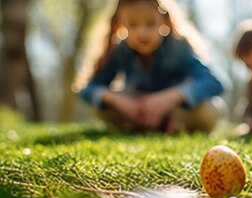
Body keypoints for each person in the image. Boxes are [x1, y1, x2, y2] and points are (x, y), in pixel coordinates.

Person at [75, 0, 224, 133]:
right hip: (137, 107)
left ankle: (168, 124)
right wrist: (115, 99)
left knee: (212, 110)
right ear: (119, 25)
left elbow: (214, 82)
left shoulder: (178, 48)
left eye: (150, 23)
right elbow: (87, 88)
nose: (142, 33)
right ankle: (150, 125)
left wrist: (173, 96)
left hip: (176, 109)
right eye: (132, 25)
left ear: (164, 21)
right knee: (99, 106)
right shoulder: (119, 51)